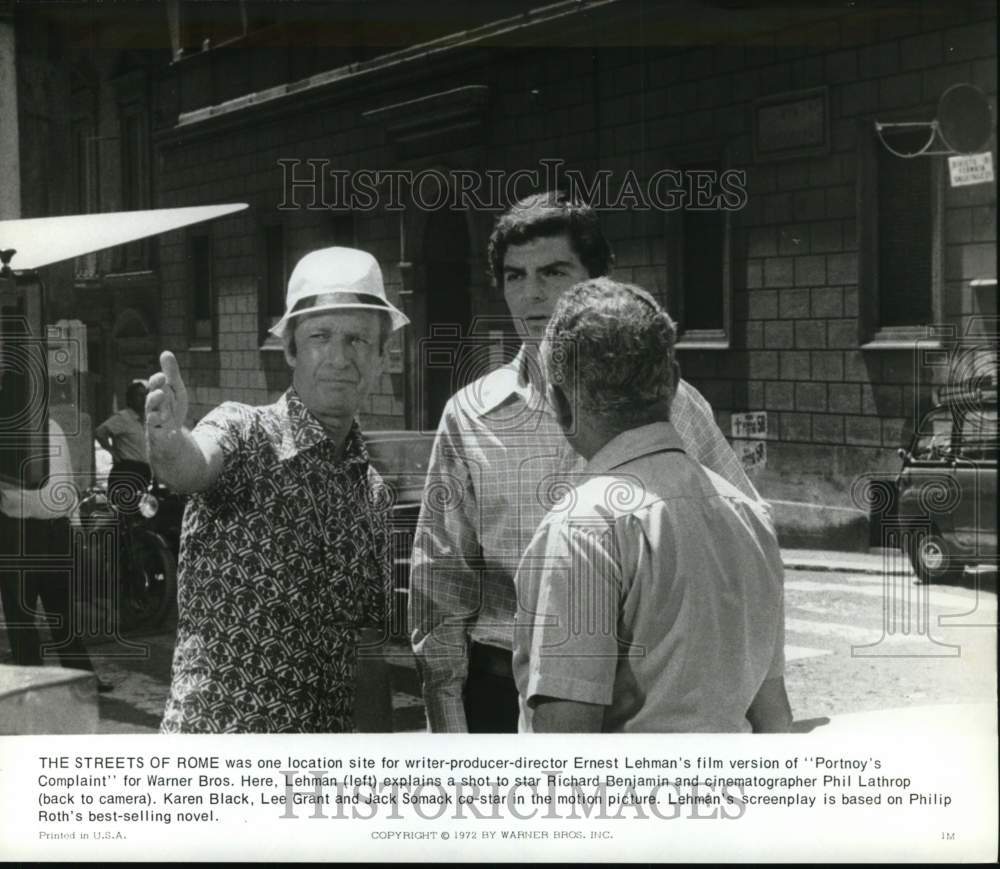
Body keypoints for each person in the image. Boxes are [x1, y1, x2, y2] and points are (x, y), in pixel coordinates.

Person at [409, 192, 775, 733]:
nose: (531, 295)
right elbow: (441, 579)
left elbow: (740, 538)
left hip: (642, 690)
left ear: (596, 282)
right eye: (515, 276)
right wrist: (449, 725)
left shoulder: (671, 403)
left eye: (553, 272)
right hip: (504, 682)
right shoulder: (471, 415)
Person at [148, 247, 408, 733]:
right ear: (290, 350)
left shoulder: (371, 492)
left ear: (382, 356)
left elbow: (366, 647)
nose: (338, 357)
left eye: (357, 340)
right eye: (319, 337)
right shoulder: (245, 432)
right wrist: (167, 443)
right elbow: (191, 466)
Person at [513, 277, 790, 732]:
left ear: (561, 403)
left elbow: (564, 740)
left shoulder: (585, 525)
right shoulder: (751, 515)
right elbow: (773, 716)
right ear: (675, 386)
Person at [0, 418, 111, 691]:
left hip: (57, 531)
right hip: (19, 533)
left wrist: (74, 524)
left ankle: (81, 679)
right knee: (22, 617)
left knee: (62, 612)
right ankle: (32, 686)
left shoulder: (54, 427)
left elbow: (67, 477)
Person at [96, 379, 151, 508]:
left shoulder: (144, 421)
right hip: (127, 471)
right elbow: (100, 432)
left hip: (142, 474)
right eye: (139, 395)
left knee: (141, 515)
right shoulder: (124, 417)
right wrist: (112, 451)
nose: (143, 399)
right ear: (130, 399)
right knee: (125, 514)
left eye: (145, 395)